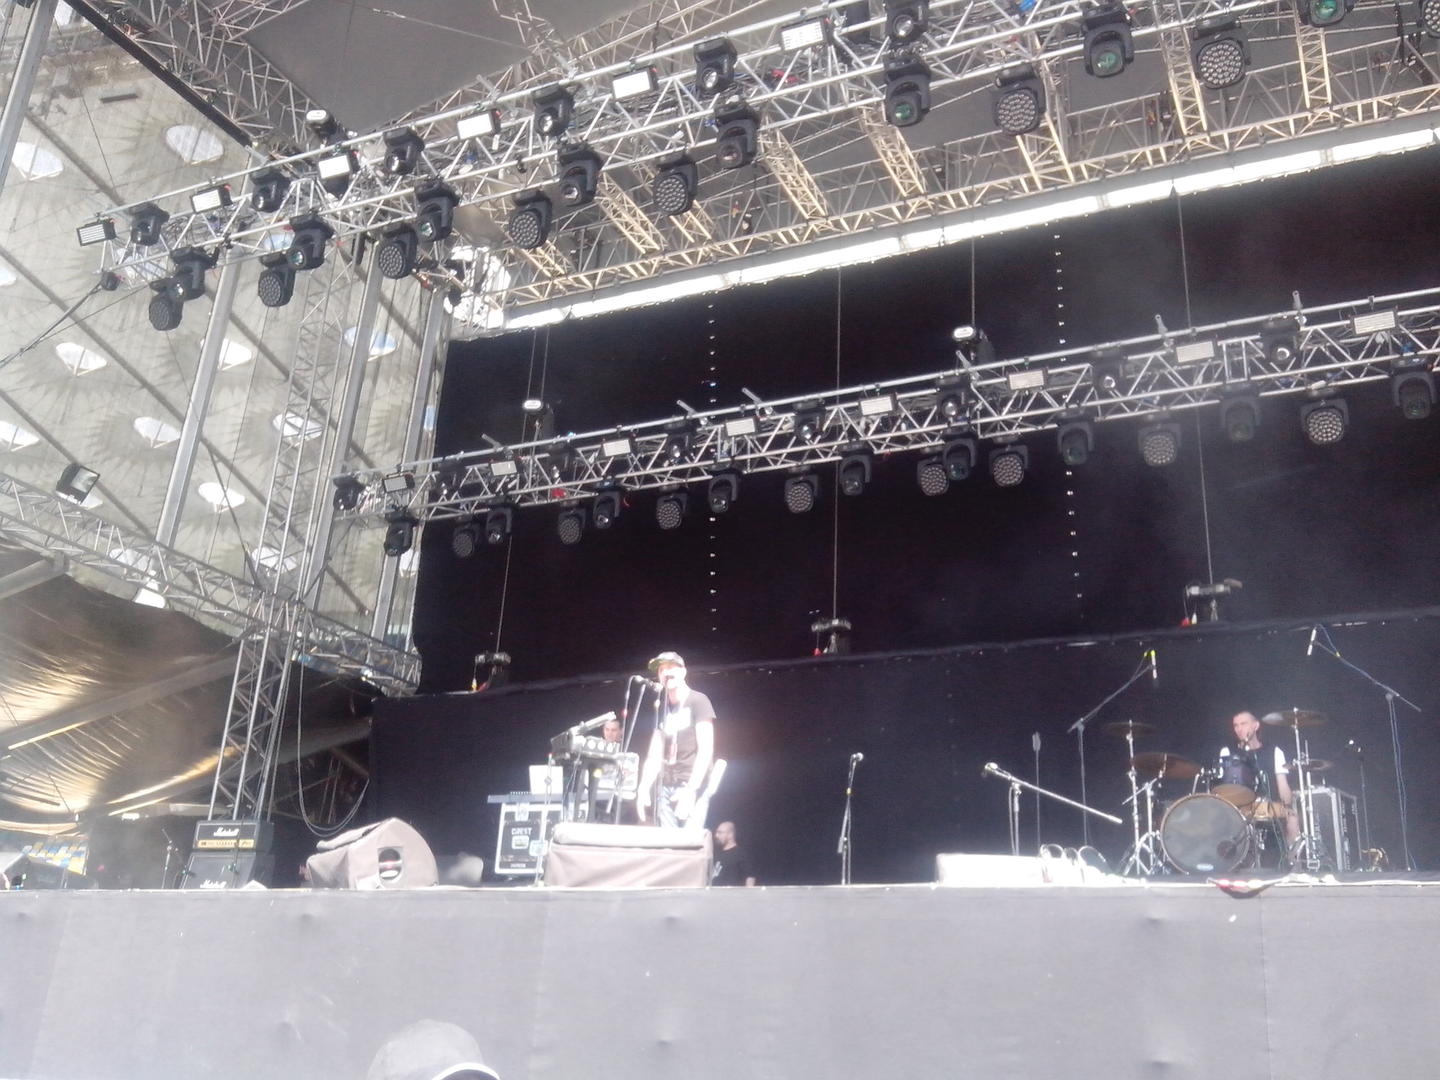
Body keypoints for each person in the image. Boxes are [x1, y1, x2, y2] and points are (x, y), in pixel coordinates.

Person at [637, 651, 715, 829]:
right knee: (669, 843)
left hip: (691, 783)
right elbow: (654, 755)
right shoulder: (661, 707)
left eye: (671, 667)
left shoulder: (698, 701)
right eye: (661, 669)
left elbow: (706, 749)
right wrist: (643, 787)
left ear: (683, 672)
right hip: (665, 785)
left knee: (690, 841)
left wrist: (691, 789)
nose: (666, 672)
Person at [1219, 711, 1299, 848]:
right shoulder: (1227, 752)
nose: (1239, 729)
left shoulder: (1274, 751)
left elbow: (1283, 787)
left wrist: (1288, 807)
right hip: (1239, 808)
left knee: (1293, 819)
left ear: (1256, 726)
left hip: (1267, 807)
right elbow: (1224, 790)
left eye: (1243, 724)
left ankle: (1289, 858)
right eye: (1236, 725)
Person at [711, 821, 756, 887]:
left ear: (730, 834)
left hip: (732, 893)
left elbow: (750, 877)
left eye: (720, 832)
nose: (716, 835)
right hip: (714, 892)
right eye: (716, 832)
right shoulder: (717, 854)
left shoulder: (740, 854)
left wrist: (749, 893)